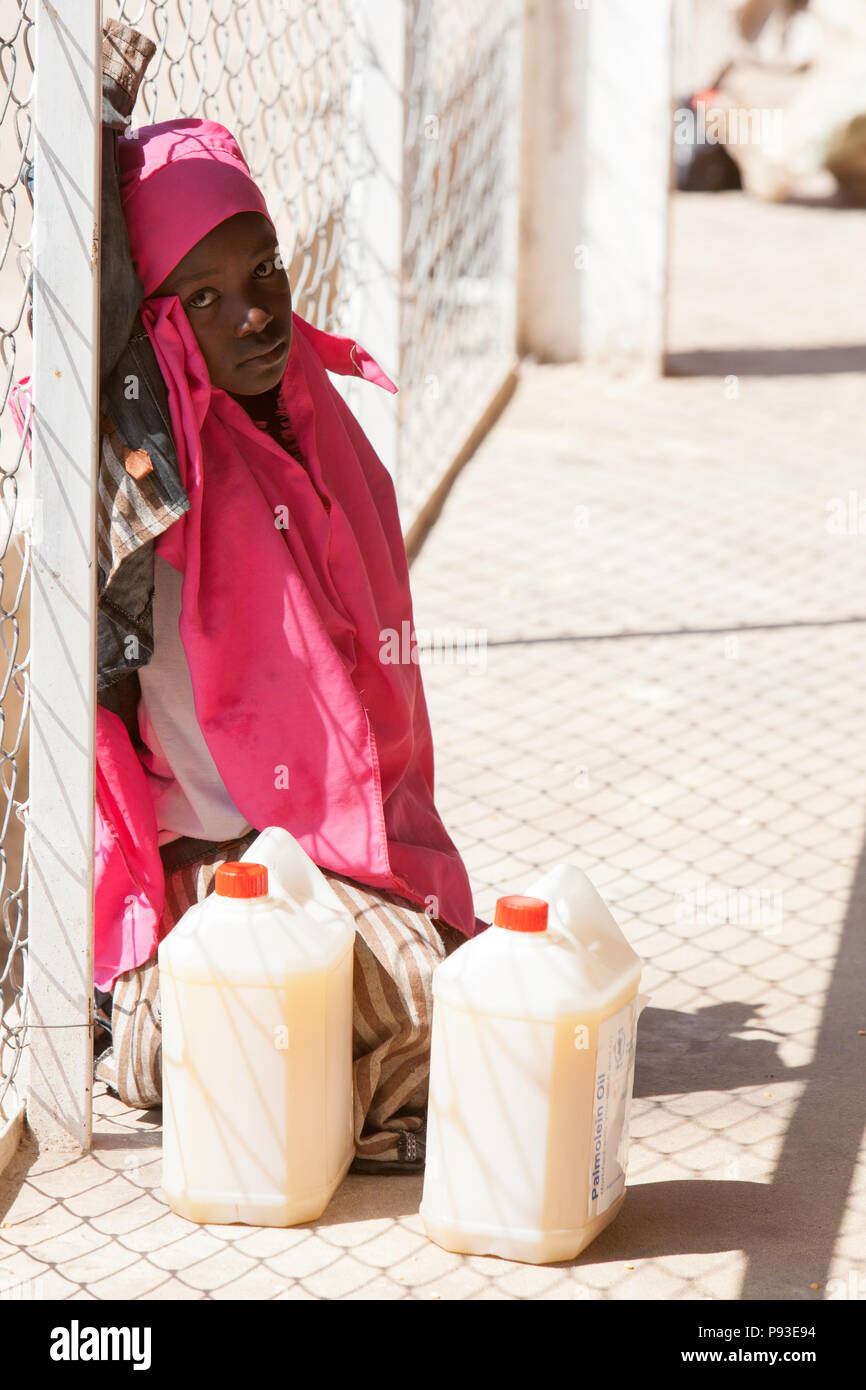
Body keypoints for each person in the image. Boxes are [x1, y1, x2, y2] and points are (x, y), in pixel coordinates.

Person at [93, 118, 486, 1174]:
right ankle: (186, 1044)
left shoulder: (312, 422)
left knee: (466, 983)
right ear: (161, 331)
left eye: (265, 268)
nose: (258, 312)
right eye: (206, 299)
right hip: (223, 860)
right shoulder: (161, 475)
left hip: (328, 844)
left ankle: (291, 1083)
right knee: (426, 995)